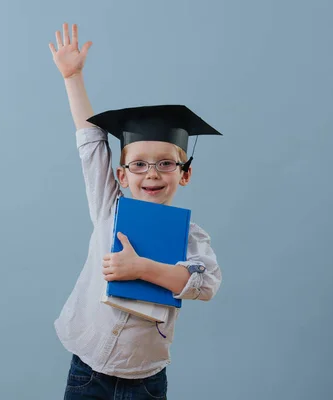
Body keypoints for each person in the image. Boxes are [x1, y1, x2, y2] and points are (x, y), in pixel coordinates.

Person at [49, 22, 223, 400]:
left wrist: (141, 268)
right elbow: (91, 145)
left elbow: (205, 284)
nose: (152, 174)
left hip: (146, 378)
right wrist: (73, 77)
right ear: (121, 175)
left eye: (165, 164)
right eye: (139, 165)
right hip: (87, 368)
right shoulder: (108, 207)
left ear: (185, 173)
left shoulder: (190, 235)